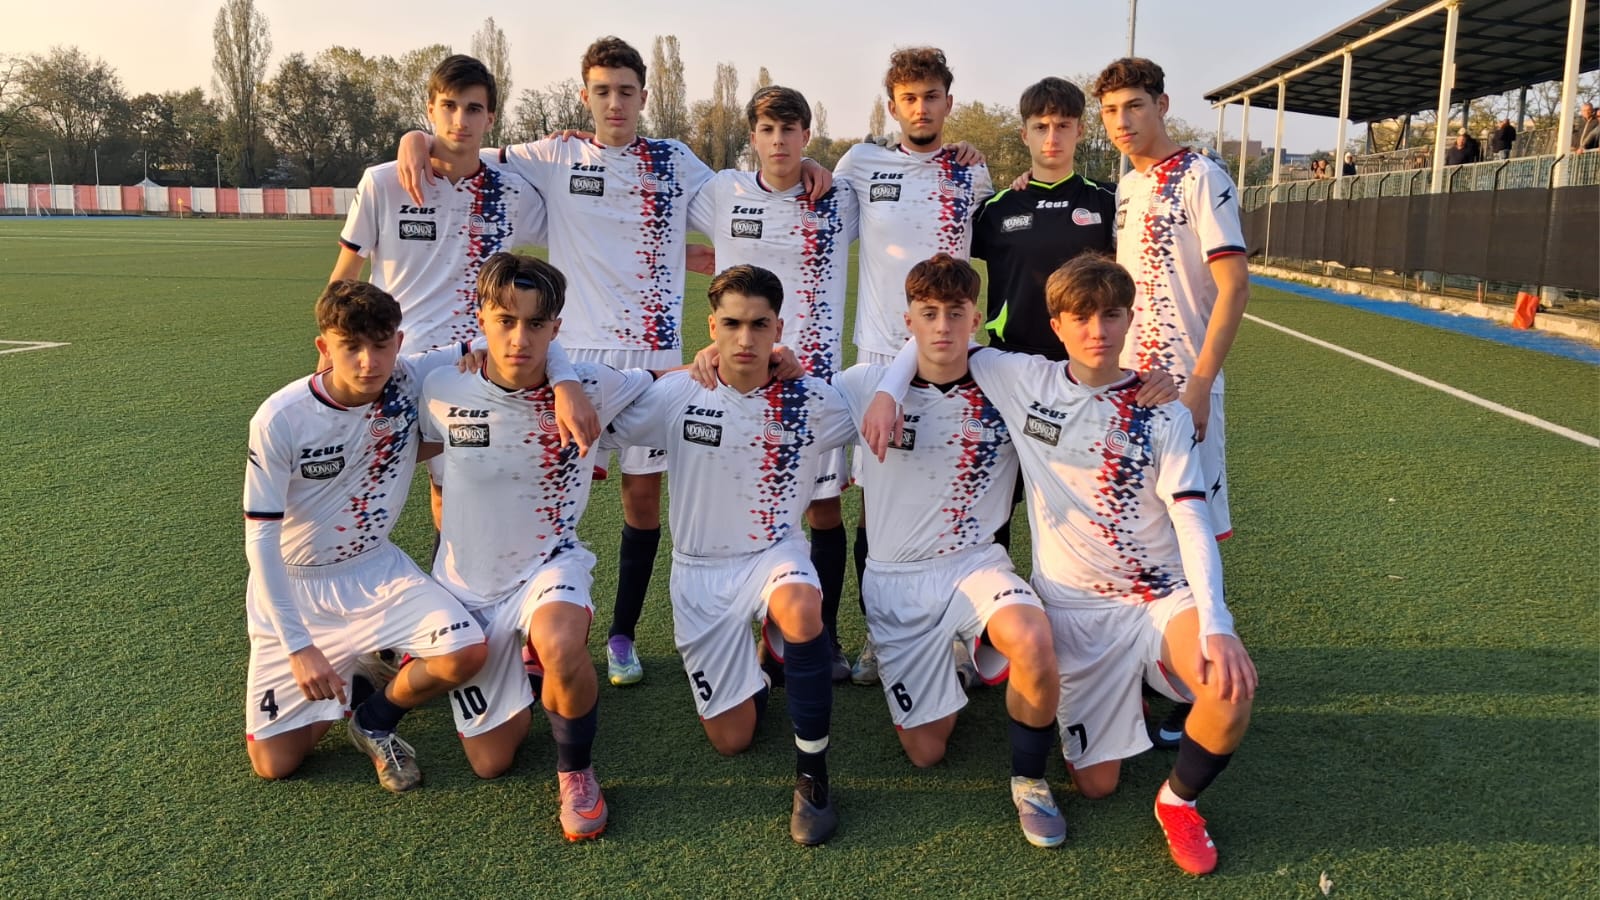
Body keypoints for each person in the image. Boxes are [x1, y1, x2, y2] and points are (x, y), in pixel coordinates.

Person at [395, 37, 827, 687]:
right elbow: (466, 147)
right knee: (516, 483)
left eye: (626, 91)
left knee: (641, 501)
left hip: (649, 358)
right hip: (562, 357)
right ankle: (499, 623)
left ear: (644, 96)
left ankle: (621, 635)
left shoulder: (673, 159)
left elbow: (746, 193)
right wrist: (414, 139)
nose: (615, 103)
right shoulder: (556, 154)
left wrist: (805, 163)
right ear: (585, 96)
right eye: (602, 91)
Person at [972, 255, 1255, 875]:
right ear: (1056, 325)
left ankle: (1178, 802)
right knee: (1096, 785)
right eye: (1080, 317)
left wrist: (1217, 621)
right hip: (1074, 611)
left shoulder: (1162, 409)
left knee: (1231, 689)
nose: (1096, 329)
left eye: (1110, 314)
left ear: (1129, 319)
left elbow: (1191, 518)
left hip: (1156, 600)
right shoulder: (1021, 379)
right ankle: (1130, 696)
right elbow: (939, 345)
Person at [604, 265, 859, 846]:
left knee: (802, 608)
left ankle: (813, 776)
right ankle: (761, 672)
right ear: (712, 325)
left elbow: (897, 385)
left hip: (774, 553)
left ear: (779, 329)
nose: (746, 339)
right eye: (732, 324)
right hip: (700, 573)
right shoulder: (679, 394)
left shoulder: (811, 399)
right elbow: (601, 402)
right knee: (732, 740)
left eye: (760, 325)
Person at [831, 254, 1065, 848]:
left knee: (1034, 639)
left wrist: (1152, 380)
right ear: (907, 320)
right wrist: (715, 362)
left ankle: (1030, 781)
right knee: (926, 752)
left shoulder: (1005, 382)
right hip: (895, 581)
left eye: (955, 313)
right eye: (929, 313)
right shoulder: (862, 386)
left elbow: (1086, 378)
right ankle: (959, 657)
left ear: (976, 319)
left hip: (975, 564)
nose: (942, 327)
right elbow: (777, 393)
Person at [420, 253, 647, 840]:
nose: (519, 339)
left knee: (562, 644)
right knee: (491, 762)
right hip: (470, 585)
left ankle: (576, 770)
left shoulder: (592, 386)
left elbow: (666, 379)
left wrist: (712, 360)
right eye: (505, 321)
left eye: (536, 324)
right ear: (481, 320)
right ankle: (512, 669)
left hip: (550, 564)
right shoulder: (441, 385)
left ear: (555, 329)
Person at [241, 281, 490, 793]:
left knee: (465, 653)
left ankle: (373, 717)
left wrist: (564, 382)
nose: (368, 362)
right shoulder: (281, 417)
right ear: (324, 347)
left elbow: (505, 340)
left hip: (376, 569)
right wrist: (299, 647)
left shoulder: (409, 376)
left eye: (380, 345)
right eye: (350, 346)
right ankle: (360, 674)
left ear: (399, 342)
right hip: (298, 583)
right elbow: (260, 540)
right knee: (275, 763)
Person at [1096, 57, 1250, 749]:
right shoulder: (1128, 186)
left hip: (1184, 390)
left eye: (1134, 106)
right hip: (1131, 390)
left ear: (1162, 105)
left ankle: (1200, 687)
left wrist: (1199, 385)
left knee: (1194, 530)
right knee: (1139, 528)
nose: (1122, 121)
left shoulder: (1201, 176)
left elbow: (1235, 286)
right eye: (1110, 111)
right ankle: (1149, 669)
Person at [330, 54, 546, 530]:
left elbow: (582, 226)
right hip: (391, 359)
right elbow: (344, 278)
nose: (459, 120)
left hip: (473, 363)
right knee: (356, 488)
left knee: (456, 495)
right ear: (430, 110)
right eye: (448, 106)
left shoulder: (511, 193)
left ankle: (454, 575)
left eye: (473, 109)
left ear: (490, 118)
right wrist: (332, 351)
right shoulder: (384, 182)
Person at [688, 86, 860, 681]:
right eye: (767, 129)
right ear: (753, 137)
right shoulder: (722, 191)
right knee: (745, 505)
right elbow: (641, 219)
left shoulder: (841, 196)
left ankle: (822, 637)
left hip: (813, 388)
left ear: (806, 136)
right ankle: (745, 631)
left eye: (790, 130)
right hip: (740, 381)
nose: (779, 141)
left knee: (823, 511)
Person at [834, 46, 994, 681]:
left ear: (948, 102)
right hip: (881, 357)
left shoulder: (970, 174)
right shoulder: (859, 164)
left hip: (951, 356)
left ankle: (959, 633)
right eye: (909, 98)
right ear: (892, 105)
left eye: (931, 96)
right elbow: (815, 213)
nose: (921, 108)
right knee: (878, 508)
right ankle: (881, 635)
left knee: (956, 497)